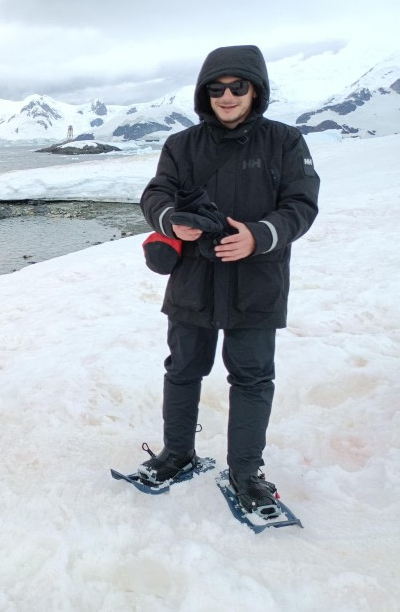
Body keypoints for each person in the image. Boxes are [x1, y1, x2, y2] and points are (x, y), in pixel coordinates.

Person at [136, 45, 320, 516]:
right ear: (205, 94)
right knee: (182, 370)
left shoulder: (285, 141)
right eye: (216, 89)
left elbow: (301, 205)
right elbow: (155, 194)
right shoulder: (181, 146)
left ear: (255, 90)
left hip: (257, 281)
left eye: (238, 86)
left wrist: (259, 237)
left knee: (253, 377)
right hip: (194, 280)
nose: (227, 96)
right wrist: (171, 220)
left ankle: (246, 473)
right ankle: (177, 454)